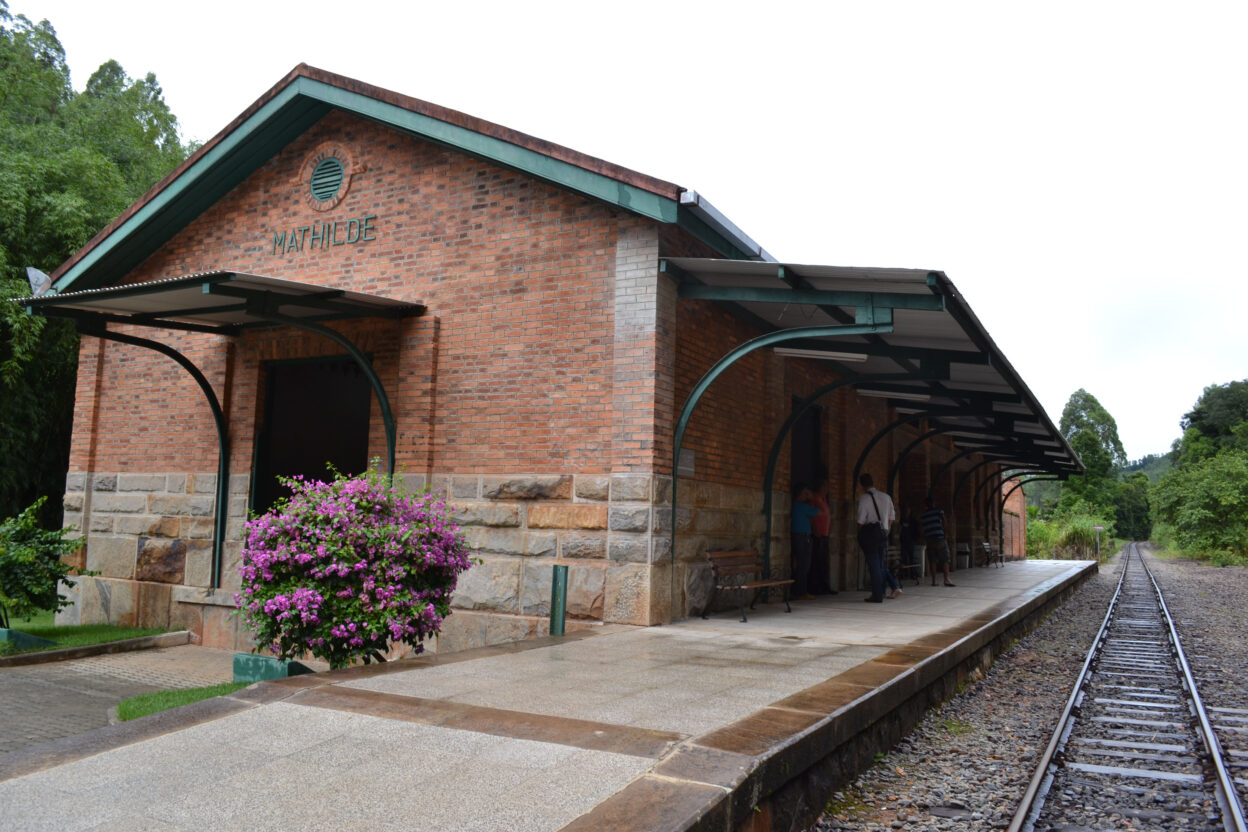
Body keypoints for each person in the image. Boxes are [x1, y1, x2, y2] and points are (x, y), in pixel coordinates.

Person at [856, 473, 895, 603]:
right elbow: (892, 518)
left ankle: (877, 595)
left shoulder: (864, 498)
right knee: (881, 564)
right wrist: (885, 530)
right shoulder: (886, 497)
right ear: (873, 482)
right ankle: (882, 592)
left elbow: (860, 521)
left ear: (862, 485)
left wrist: (862, 535)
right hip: (883, 535)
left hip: (871, 536)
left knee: (874, 566)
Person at [920, 495, 956, 587]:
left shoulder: (923, 515)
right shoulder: (939, 511)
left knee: (933, 560)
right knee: (945, 559)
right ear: (933, 503)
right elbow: (944, 522)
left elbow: (922, 529)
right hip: (940, 538)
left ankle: (934, 581)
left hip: (929, 539)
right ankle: (946, 579)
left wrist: (925, 537)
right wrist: (946, 534)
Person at [791, 487, 820, 600]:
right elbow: (822, 511)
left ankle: (798, 590)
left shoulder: (795, 505)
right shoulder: (803, 506)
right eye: (806, 494)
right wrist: (814, 499)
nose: (807, 497)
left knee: (800, 564)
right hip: (803, 537)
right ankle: (800, 591)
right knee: (804, 564)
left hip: (797, 536)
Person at [809, 480, 837, 595]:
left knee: (824, 562)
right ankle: (815, 587)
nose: (827, 489)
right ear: (820, 487)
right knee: (816, 561)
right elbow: (811, 515)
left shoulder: (824, 500)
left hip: (824, 534)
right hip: (817, 534)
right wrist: (815, 529)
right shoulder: (814, 499)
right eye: (825, 486)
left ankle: (824, 586)